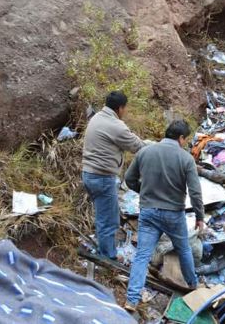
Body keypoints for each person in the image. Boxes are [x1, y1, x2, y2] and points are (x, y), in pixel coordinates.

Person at [124, 120, 204, 311]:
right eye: (185, 140)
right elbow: (195, 192)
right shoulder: (185, 159)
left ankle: (131, 300)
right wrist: (200, 216)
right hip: (173, 214)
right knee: (184, 248)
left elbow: (129, 179)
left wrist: (143, 191)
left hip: (149, 212)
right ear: (181, 138)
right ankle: (193, 285)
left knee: (142, 255)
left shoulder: (145, 152)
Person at [82, 91, 144, 260]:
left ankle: (105, 249)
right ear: (120, 108)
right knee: (109, 221)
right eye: (125, 108)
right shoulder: (115, 125)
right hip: (102, 177)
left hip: (89, 174)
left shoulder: (97, 117)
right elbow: (136, 145)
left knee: (106, 215)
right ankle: (108, 256)